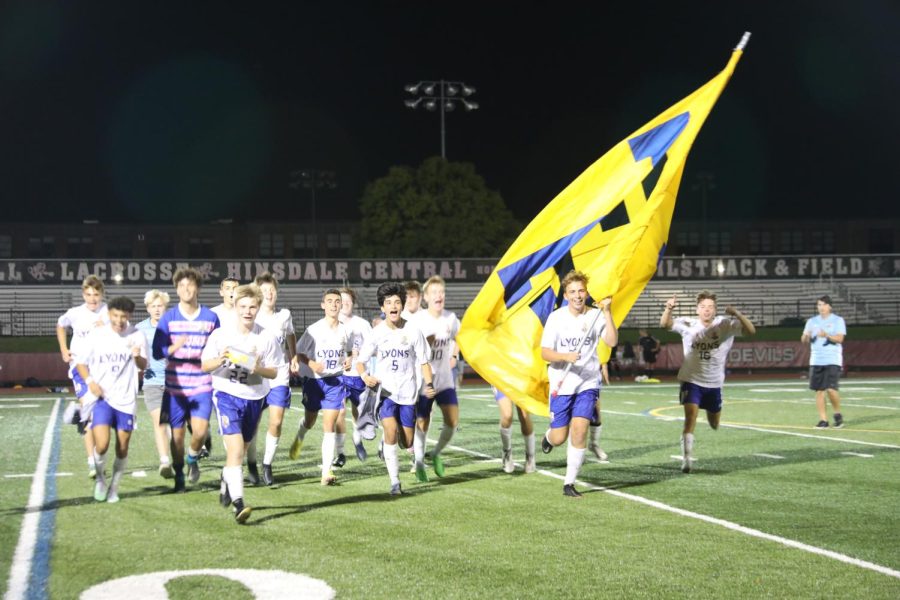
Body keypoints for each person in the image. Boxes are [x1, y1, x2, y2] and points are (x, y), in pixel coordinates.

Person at [201, 284, 280, 524]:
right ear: (235, 307)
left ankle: (226, 478)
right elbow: (204, 366)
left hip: (254, 399)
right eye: (243, 306)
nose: (247, 311)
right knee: (234, 451)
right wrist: (220, 360)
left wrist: (258, 368)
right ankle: (239, 504)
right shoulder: (220, 335)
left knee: (240, 452)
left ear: (258, 308)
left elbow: (274, 372)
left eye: (252, 307)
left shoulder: (265, 336)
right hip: (226, 396)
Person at [539, 270, 617, 498]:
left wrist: (608, 312)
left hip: (587, 382)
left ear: (586, 292)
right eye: (572, 291)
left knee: (580, 429)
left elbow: (611, 341)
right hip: (562, 383)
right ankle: (548, 437)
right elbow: (545, 353)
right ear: (566, 295)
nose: (577, 295)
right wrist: (565, 356)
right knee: (559, 437)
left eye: (581, 290)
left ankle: (569, 483)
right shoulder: (556, 318)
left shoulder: (596, 315)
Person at [661, 291, 755, 474]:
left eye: (710, 307)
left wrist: (737, 313)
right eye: (703, 306)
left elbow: (751, 331)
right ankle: (687, 459)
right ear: (697, 309)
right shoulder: (688, 324)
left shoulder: (725, 324)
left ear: (715, 310)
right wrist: (668, 308)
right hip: (691, 379)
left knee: (714, 423)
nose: (706, 310)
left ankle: (712, 414)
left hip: (714, 383)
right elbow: (665, 324)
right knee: (690, 418)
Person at [357, 282, 435, 495]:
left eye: (397, 302)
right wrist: (365, 376)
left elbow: (424, 361)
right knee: (390, 430)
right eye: (388, 302)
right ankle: (395, 482)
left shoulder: (413, 330)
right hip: (386, 393)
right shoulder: (376, 332)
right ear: (382, 308)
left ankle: (392, 444)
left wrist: (429, 384)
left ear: (402, 306)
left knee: (407, 441)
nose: (393, 306)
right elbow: (361, 361)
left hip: (408, 394)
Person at [152, 267, 220, 492]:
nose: (186, 289)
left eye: (190, 285)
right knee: (178, 435)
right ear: (176, 289)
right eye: (181, 285)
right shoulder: (168, 318)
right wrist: (175, 347)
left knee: (200, 431)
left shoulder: (211, 318)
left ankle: (192, 458)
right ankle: (179, 472)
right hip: (175, 388)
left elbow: (218, 345)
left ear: (198, 288)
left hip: (202, 385)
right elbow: (157, 352)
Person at [75, 296, 148, 503]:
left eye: (123, 316)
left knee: (122, 447)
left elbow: (144, 365)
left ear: (129, 316)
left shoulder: (137, 335)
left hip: (126, 400)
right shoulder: (97, 335)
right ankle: (100, 479)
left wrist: (136, 356)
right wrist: (90, 382)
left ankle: (114, 488)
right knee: (103, 444)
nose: (119, 320)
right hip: (103, 398)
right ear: (109, 314)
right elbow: (80, 362)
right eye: (115, 315)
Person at [290, 289, 352, 486]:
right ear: (323, 305)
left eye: (337, 301)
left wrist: (348, 361)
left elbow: (349, 351)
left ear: (341, 305)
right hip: (314, 382)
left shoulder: (346, 330)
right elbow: (299, 353)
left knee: (329, 425)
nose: (334, 305)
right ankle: (299, 437)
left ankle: (326, 472)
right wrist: (312, 364)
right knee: (310, 420)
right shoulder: (314, 329)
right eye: (330, 301)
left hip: (335, 382)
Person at [250, 272, 299, 485]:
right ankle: (250, 462)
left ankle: (267, 465)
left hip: (279, 374)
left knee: (276, 421)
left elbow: (290, 334)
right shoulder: (251, 315)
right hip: (256, 376)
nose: (269, 294)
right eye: (264, 291)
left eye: (272, 290)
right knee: (252, 424)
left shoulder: (284, 316)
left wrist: (293, 356)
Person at [58, 275, 108, 478]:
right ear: (83, 294)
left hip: (103, 368)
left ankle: (97, 455)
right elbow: (61, 325)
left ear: (102, 294)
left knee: (100, 415)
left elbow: (121, 331)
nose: (92, 299)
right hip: (80, 367)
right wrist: (63, 349)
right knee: (90, 412)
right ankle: (92, 462)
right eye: (88, 294)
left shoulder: (108, 312)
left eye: (96, 294)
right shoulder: (76, 313)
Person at [411, 275, 460, 482]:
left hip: (445, 379)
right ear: (426, 298)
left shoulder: (451, 318)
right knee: (422, 420)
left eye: (441, 292)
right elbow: (413, 348)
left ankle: (436, 453)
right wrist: (426, 342)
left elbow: (460, 337)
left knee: (452, 421)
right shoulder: (419, 320)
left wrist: (455, 355)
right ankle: (419, 462)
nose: (439, 296)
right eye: (434, 293)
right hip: (425, 379)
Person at [135, 289, 174, 478]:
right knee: (160, 423)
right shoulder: (140, 329)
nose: (157, 310)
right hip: (152, 382)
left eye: (160, 306)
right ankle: (165, 461)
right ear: (147, 308)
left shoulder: (174, 326)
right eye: (153, 306)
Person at [334, 287, 374, 465]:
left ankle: (357, 441)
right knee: (340, 412)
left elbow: (372, 346)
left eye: (348, 300)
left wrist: (357, 357)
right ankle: (341, 453)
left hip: (358, 376)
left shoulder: (362, 324)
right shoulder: (332, 324)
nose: (345, 304)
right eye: (341, 301)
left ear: (353, 303)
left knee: (358, 412)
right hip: (339, 376)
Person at [801, 295, 846, 429]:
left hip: (832, 359)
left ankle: (837, 414)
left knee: (831, 389)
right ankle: (823, 420)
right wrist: (806, 336)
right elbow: (803, 340)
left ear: (829, 306)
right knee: (819, 390)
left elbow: (840, 339)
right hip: (816, 359)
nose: (821, 307)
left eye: (823, 305)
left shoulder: (838, 320)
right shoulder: (811, 321)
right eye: (819, 305)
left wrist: (826, 335)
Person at [494, 387, 536, 474]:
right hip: (502, 378)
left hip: (521, 378)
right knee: (507, 415)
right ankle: (507, 452)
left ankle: (530, 455)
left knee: (524, 417)